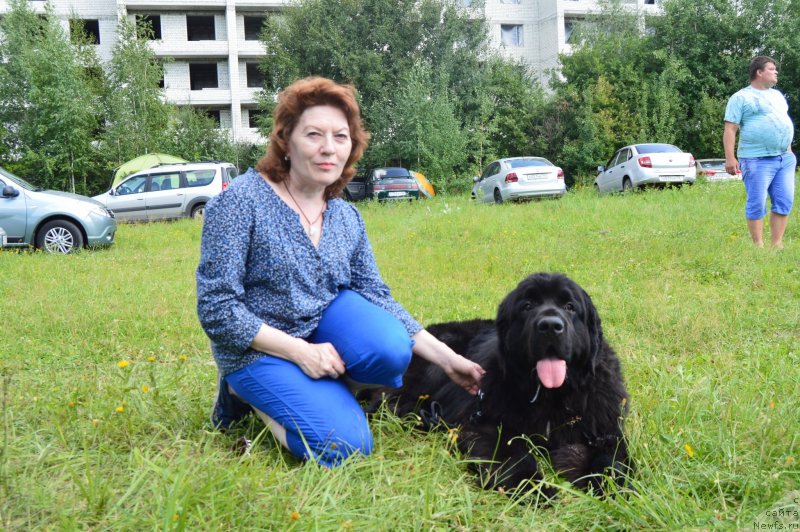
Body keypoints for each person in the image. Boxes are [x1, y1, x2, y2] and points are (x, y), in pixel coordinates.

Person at [196, 77, 484, 467]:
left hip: (322, 331)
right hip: (255, 349)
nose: (328, 148)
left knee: (390, 348)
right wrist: (301, 352)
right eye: (314, 134)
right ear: (286, 139)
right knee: (343, 447)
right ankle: (242, 395)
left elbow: (376, 296)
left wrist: (448, 359)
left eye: (340, 136)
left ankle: (316, 392)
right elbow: (217, 309)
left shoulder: (346, 216)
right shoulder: (239, 204)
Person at [724, 56, 796, 249]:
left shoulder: (778, 95)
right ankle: (758, 245)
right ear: (759, 72)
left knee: (784, 201)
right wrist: (730, 158)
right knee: (757, 202)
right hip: (756, 159)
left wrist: (788, 149)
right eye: (772, 69)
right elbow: (730, 129)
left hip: (784, 158)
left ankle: (777, 244)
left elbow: (782, 121)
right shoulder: (741, 97)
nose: (776, 72)